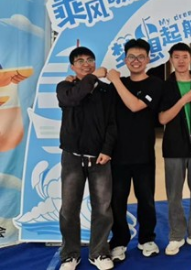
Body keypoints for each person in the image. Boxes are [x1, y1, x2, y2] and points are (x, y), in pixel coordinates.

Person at [56, 47, 116, 270]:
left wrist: (107, 150)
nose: (86, 64)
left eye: (90, 60)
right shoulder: (65, 88)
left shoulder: (106, 91)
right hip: (72, 158)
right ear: (72, 67)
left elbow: (112, 123)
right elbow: (75, 98)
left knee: (103, 208)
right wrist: (92, 78)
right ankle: (70, 254)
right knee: (69, 208)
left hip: (100, 159)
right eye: (80, 61)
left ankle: (98, 252)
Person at [107, 39, 163, 262]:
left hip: (143, 154)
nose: (136, 61)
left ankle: (146, 238)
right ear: (125, 60)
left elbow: (135, 105)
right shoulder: (117, 84)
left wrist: (115, 80)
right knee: (117, 201)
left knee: (146, 199)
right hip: (117, 154)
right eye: (131, 57)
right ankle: (119, 241)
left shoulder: (155, 84)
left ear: (148, 59)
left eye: (140, 57)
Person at [158, 43, 191, 255]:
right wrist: (182, 101)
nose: (181, 61)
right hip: (174, 147)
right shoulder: (165, 86)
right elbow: (163, 118)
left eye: (184, 56)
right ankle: (176, 235)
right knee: (174, 194)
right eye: (176, 57)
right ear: (171, 59)